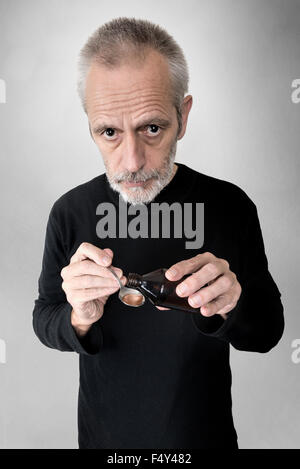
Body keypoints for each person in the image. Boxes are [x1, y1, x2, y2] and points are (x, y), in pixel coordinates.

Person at [32, 17, 284, 449]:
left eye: (151, 128)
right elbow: (44, 317)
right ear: (89, 123)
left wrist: (229, 306)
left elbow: (268, 333)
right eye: (109, 132)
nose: (131, 162)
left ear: (182, 117)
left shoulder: (230, 205)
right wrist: (80, 317)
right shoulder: (69, 211)